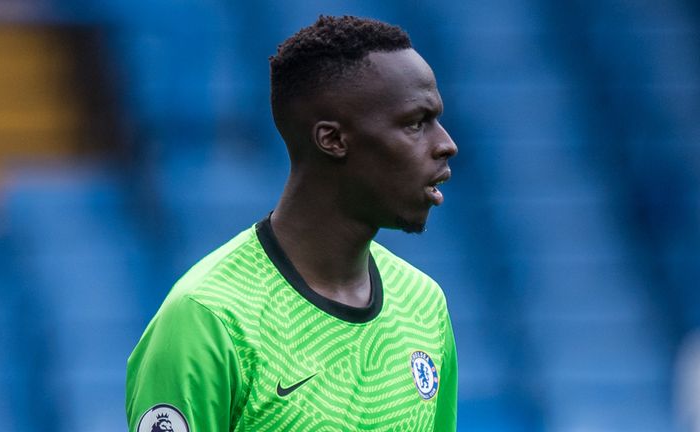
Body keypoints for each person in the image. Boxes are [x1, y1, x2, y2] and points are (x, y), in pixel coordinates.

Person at [126, 15, 458, 431]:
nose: (446, 144)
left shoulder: (424, 304)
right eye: (415, 123)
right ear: (332, 140)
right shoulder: (208, 318)